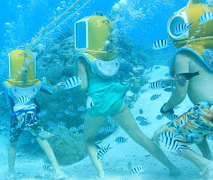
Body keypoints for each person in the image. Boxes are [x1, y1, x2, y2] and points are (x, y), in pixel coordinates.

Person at [74, 12, 180, 179]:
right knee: (140, 136)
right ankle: (172, 167)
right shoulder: (112, 54)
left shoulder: (82, 58)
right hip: (117, 101)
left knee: (88, 139)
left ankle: (101, 174)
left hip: (98, 104)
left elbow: (84, 86)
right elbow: (113, 78)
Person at [153, 0, 213, 179]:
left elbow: (180, 93)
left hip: (208, 113)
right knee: (197, 129)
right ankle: (211, 160)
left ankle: (205, 166)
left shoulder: (184, 53)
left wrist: (167, 107)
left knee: (160, 136)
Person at [4, 49, 66, 179]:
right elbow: (50, 91)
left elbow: (9, 104)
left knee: (13, 144)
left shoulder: (8, 84)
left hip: (16, 116)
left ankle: (10, 175)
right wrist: (57, 86)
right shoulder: (37, 83)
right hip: (31, 115)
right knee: (42, 140)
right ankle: (58, 171)